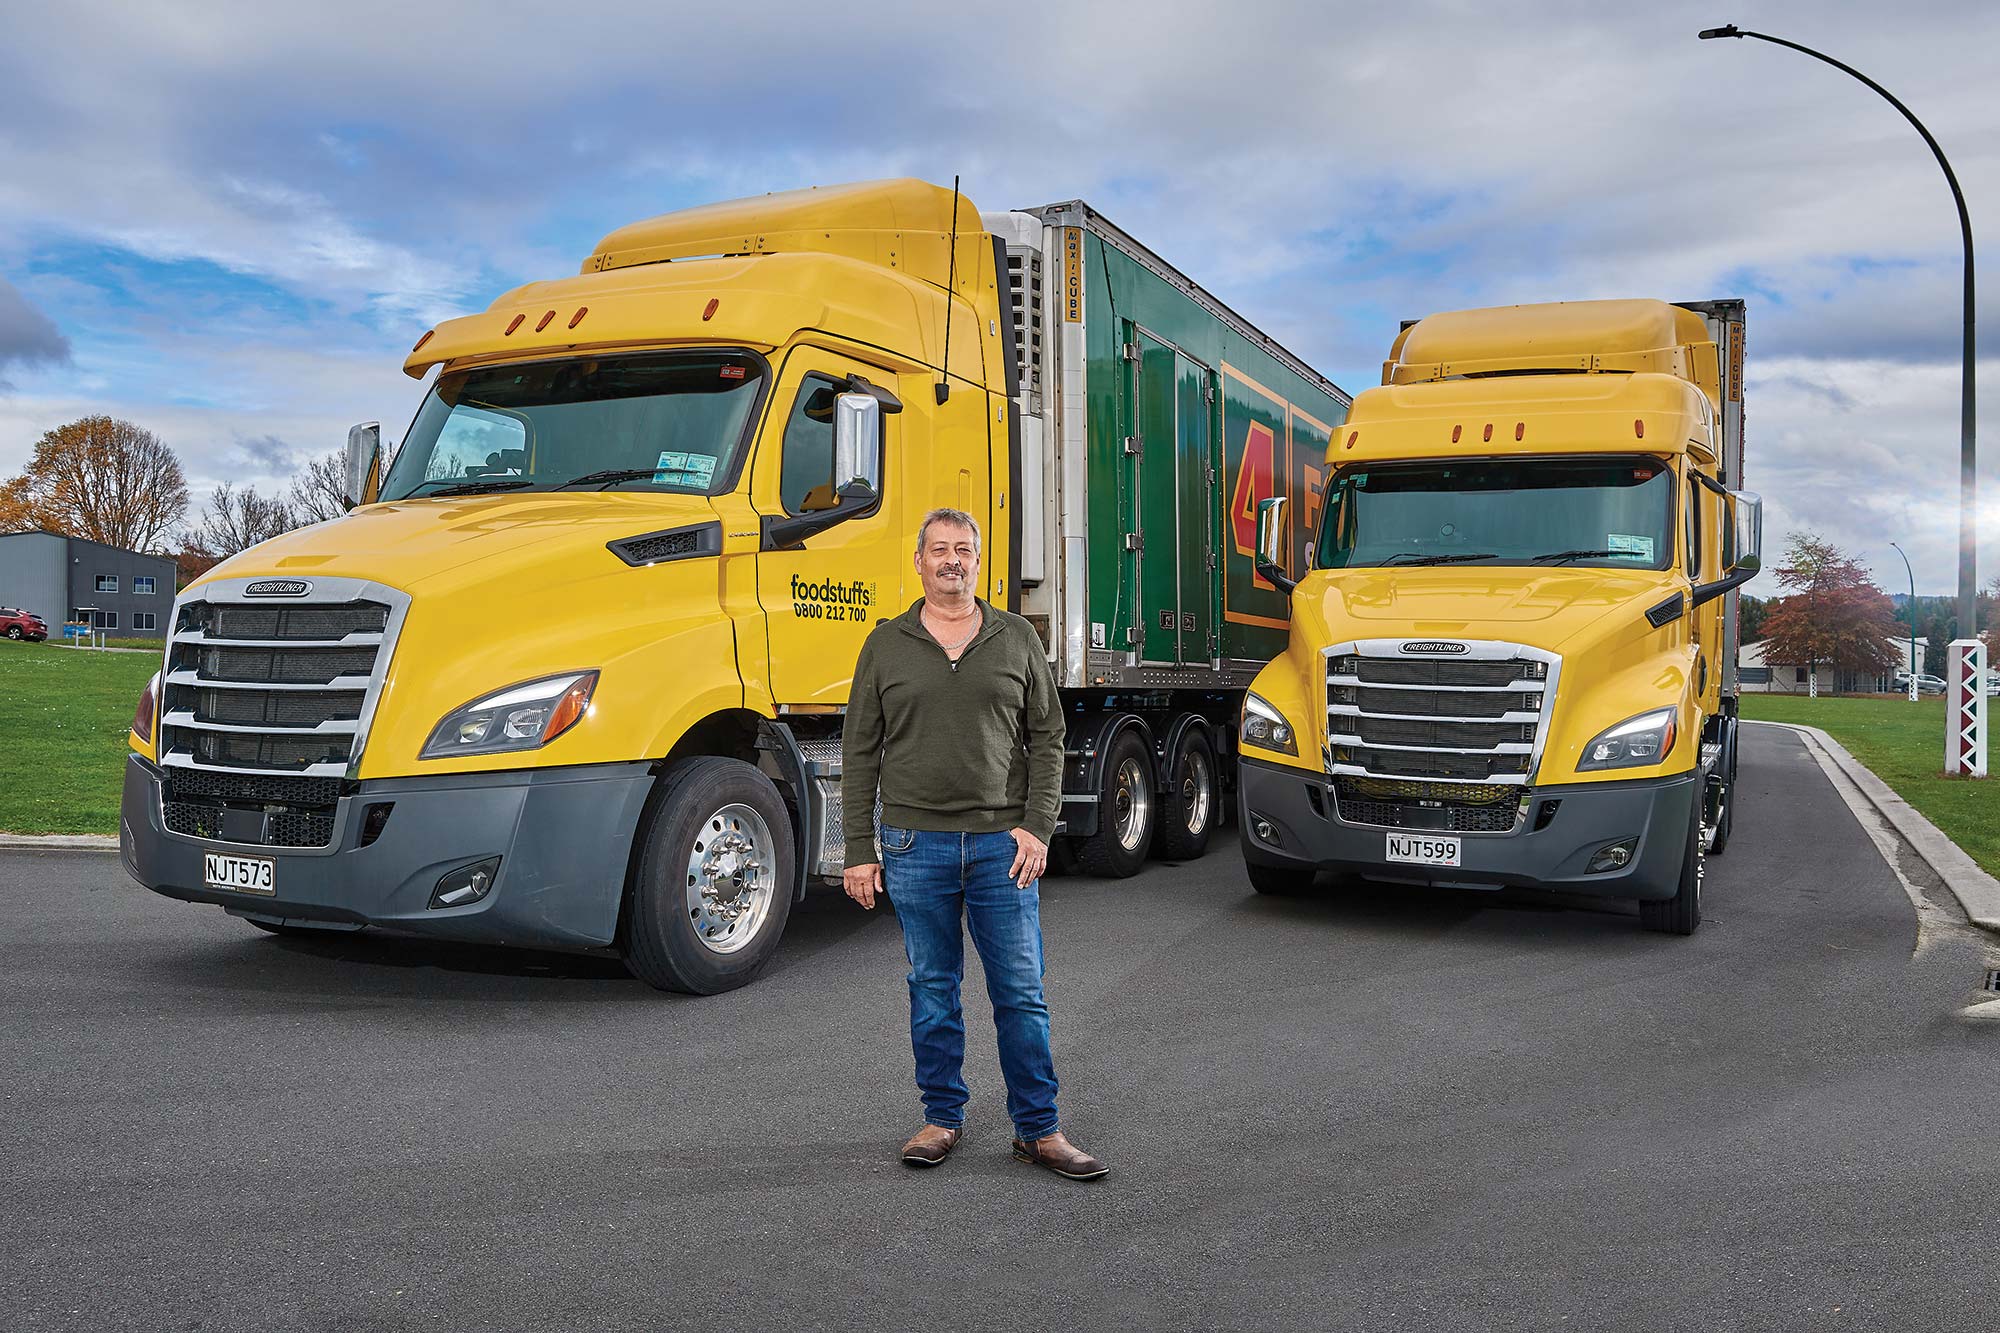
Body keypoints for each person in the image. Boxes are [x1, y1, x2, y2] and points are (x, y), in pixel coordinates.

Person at [841, 507, 1107, 1181]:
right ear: (920, 561)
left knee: (1020, 991)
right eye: (939, 549)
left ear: (979, 563)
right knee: (933, 987)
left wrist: (1037, 825)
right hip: (911, 844)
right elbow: (859, 750)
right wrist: (857, 848)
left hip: (1001, 848)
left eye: (963, 549)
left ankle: (1039, 1130)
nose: (951, 559)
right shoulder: (886, 643)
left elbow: (1048, 736)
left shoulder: (1015, 637)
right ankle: (941, 1117)